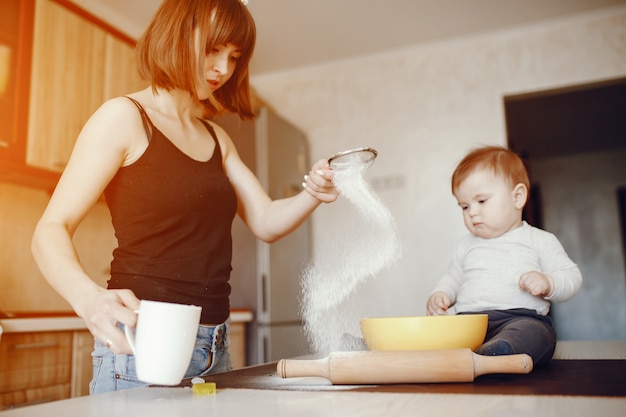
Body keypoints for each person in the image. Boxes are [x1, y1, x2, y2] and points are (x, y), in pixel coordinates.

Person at [31, 0, 338, 394]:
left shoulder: (216, 138)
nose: (223, 69)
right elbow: (50, 229)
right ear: (175, 32)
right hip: (141, 349)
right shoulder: (124, 117)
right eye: (213, 49)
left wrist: (312, 192)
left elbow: (265, 220)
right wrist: (89, 300)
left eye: (233, 57)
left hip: (216, 349)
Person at [426, 145, 582, 367]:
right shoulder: (466, 246)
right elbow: (453, 278)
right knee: (439, 330)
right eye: (464, 206)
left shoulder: (538, 240)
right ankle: (466, 356)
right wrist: (441, 294)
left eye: (481, 201)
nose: (472, 212)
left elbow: (572, 276)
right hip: (468, 323)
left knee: (536, 334)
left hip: (520, 319)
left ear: (517, 197)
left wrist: (549, 282)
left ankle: (500, 353)